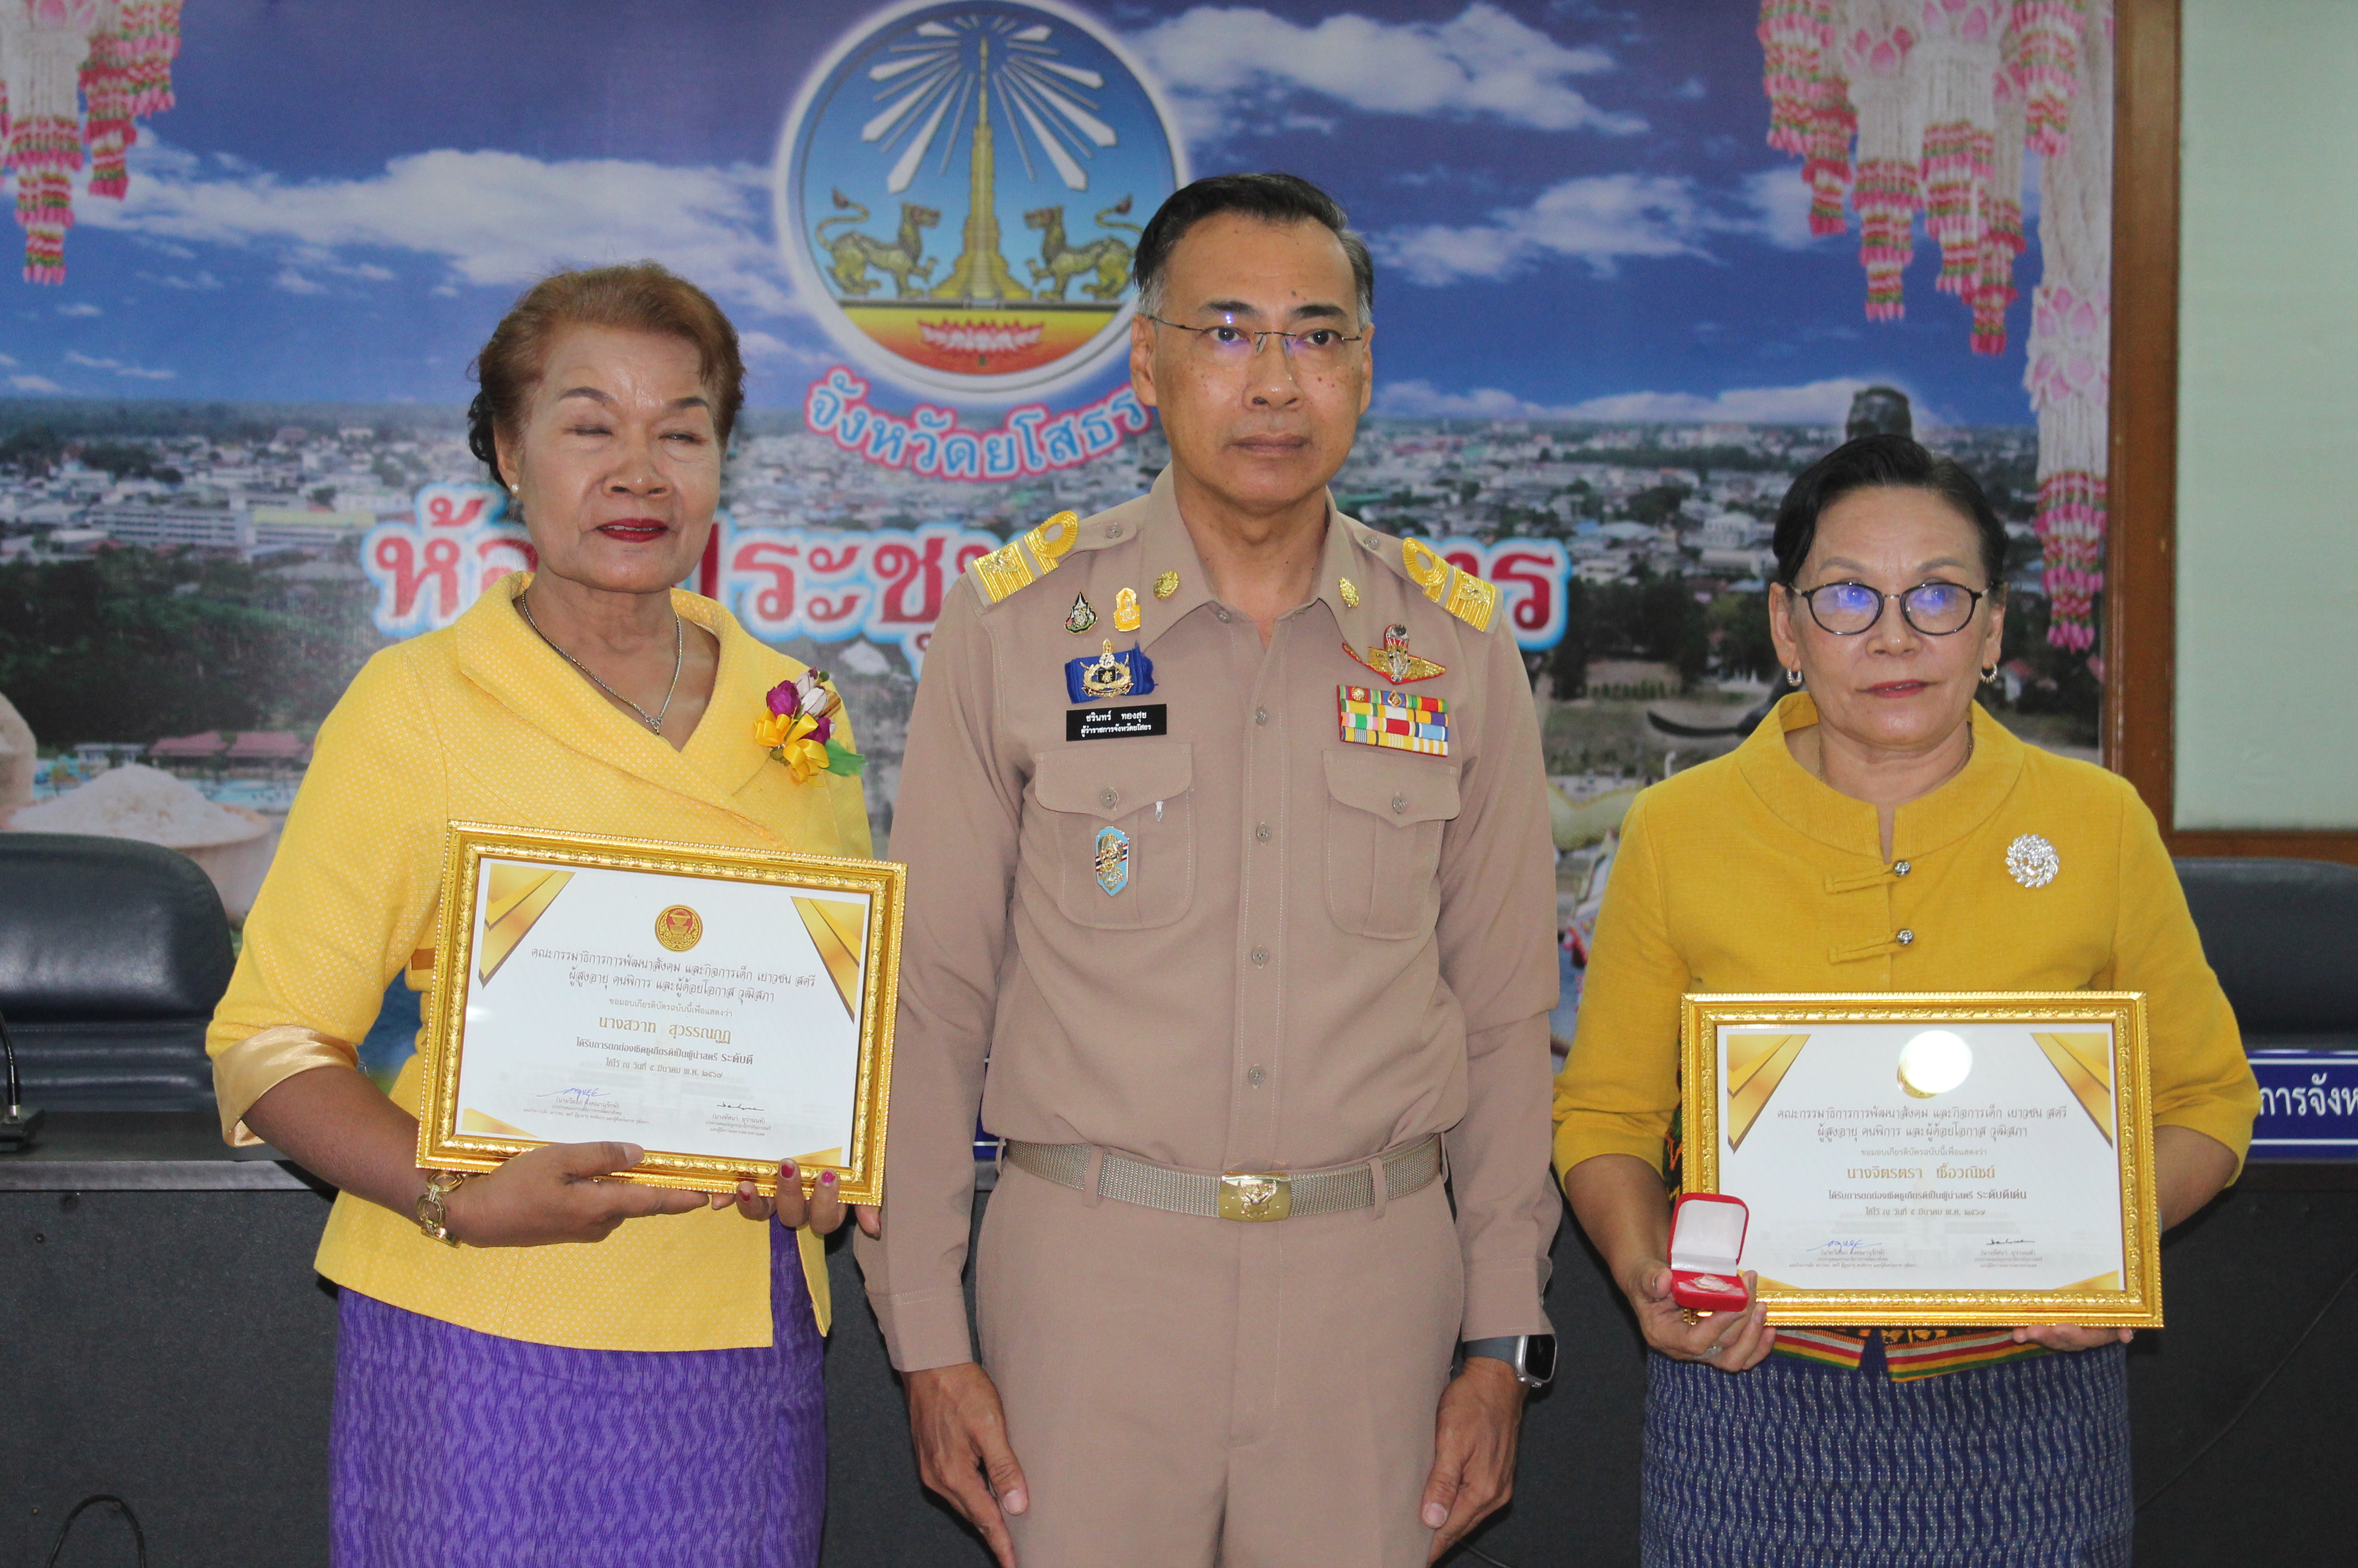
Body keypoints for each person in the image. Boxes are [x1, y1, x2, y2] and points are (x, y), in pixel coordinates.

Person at [855, 172, 1561, 1568]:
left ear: (1365, 367)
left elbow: (1503, 1015)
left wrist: (1502, 1337)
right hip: (1092, 1283)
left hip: (1372, 1297)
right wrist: (927, 1335)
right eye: (1228, 332)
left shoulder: (1459, 647)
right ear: (1146, 363)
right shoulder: (1015, 628)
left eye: (1317, 336)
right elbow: (929, 1009)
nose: (1275, 382)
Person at [207, 263, 875, 1568]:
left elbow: (836, 1009)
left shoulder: (798, 710)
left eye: (682, 432)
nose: (640, 473)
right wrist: (455, 1198)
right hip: (479, 1330)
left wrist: (830, 1157)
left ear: (722, 465)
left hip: (735, 1344)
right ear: (510, 457)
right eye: (590, 427)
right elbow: (269, 1044)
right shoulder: (417, 706)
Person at [1553, 433, 2259, 1566]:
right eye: (1847, 596)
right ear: (1786, 628)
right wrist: (1647, 1271)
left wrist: (2109, 1243)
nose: (1894, 636)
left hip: (2029, 1408)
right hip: (1749, 1396)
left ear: (1993, 628)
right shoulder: (1679, 831)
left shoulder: (2098, 824)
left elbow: (2209, 1100)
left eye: (1937, 595)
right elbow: (1606, 1117)